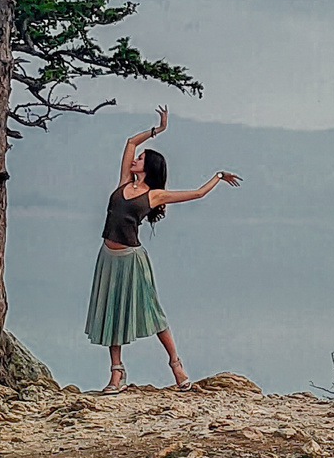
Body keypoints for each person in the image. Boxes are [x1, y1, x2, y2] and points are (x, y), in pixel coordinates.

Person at [86, 106, 239, 391]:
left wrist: (218, 175)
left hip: (132, 259)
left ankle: (176, 365)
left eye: (141, 159)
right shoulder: (124, 183)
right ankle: (116, 374)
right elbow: (131, 142)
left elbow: (196, 193)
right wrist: (158, 130)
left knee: (153, 312)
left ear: (149, 168)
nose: (136, 159)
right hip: (108, 257)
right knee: (112, 312)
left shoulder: (154, 195)